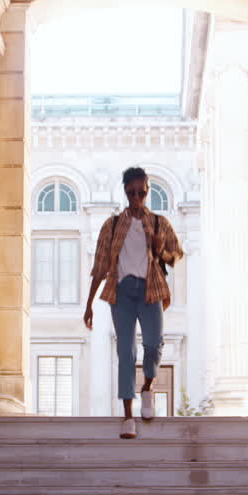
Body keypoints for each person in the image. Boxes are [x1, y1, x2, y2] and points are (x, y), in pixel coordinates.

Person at [84, 167, 184, 439]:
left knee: (153, 344)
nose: (137, 198)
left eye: (142, 193)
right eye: (132, 193)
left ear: (147, 192)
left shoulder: (160, 223)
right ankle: (128, 416)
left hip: (150, 290)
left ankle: (148, 387)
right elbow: (101, 266)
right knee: (125, 353)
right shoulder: (112, 225)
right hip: (122, 292)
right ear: (125, 192)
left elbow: (176, 256)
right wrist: (89, 304)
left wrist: (159, 248)